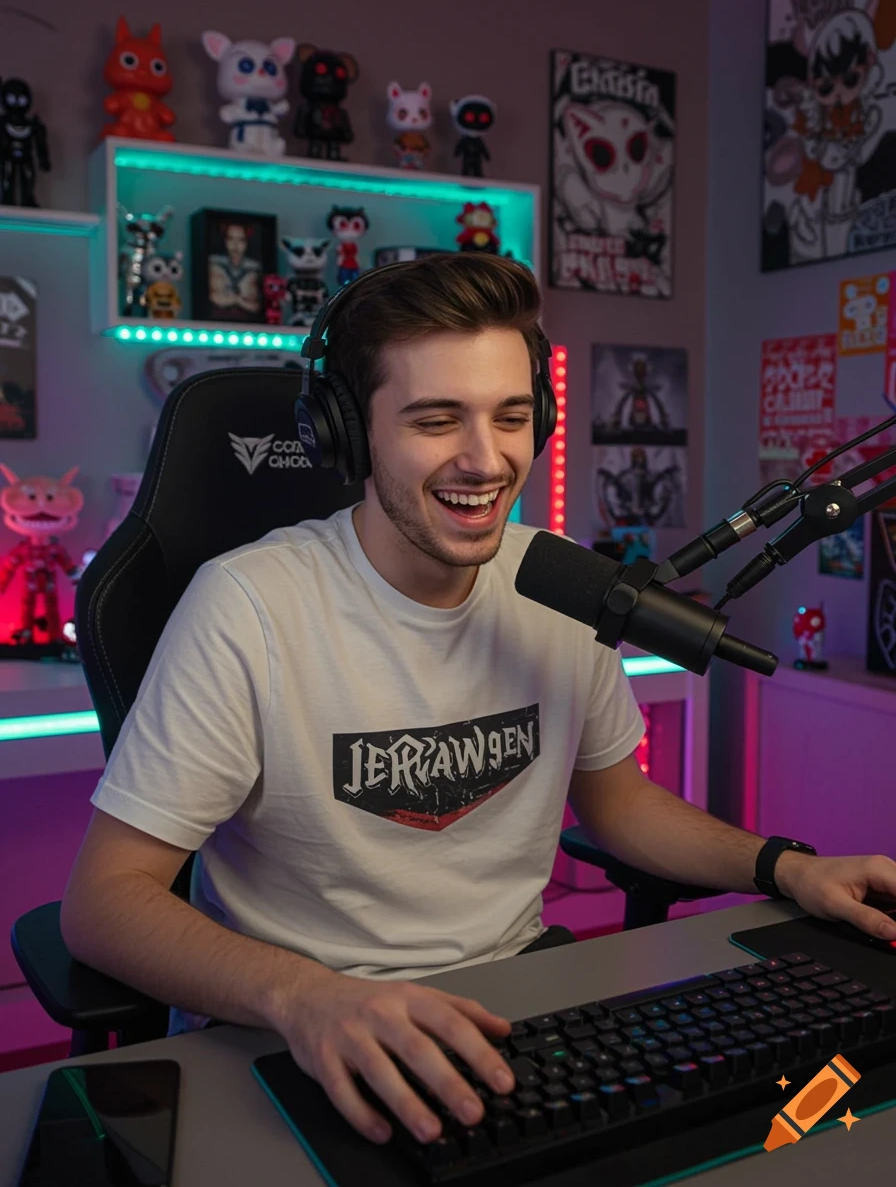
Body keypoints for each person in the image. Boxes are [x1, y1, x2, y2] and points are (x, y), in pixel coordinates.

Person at [61, 254, 896, 1152]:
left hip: (520, 1012)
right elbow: (105, 901)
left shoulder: (561, 583)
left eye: (511, 416)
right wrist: (306, 997)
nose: (486, 458)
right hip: (296, 1033)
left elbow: (621, 806)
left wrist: (785, 867)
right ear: (349, 433)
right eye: (434, 420)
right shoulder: (252, 606)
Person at [207, 221, 261, 319]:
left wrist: (235, 300)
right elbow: (212, 297)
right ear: (225, 240)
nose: (235, 246)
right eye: (230, 239)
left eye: (241, 240)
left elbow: (256, 306)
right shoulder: (213, 263)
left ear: (247, 242)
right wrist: (238, 300)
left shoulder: (255, 269)